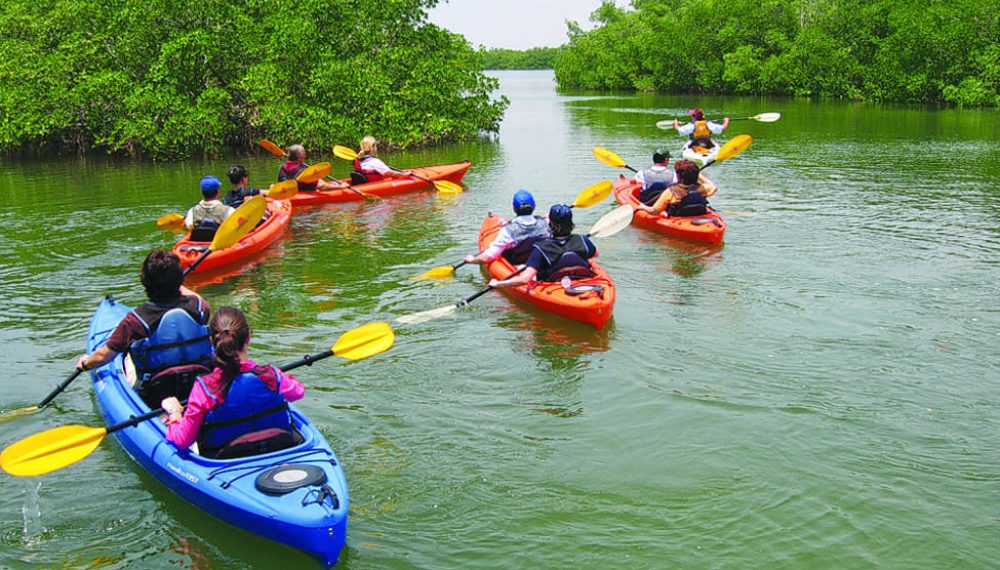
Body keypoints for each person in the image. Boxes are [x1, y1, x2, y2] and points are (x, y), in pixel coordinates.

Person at [161, 307, 305, 458]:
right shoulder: (272, 375)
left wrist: (175, 412)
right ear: (248, 338)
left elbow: (182, 440)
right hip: (279, 446)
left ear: (211, 340)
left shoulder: (205, 388)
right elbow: (298, 393)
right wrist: (287, 379)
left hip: (227, 458)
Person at [76, 250, 213, 407]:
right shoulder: (200, 308)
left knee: (126, 355)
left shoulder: (136, 321)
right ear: (179, 280)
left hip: (156, 397)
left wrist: (86, 363)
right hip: (199, 386)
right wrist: (174, 281)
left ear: (145, 282)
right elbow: (196, 298)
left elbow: (103, 356)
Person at [489, 204, 598, 288]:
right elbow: (595, 254)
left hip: (552, 284)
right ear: (571, 222)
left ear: (550, 224)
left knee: (522, 267)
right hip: (583, 279)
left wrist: (498, 283)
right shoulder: (583, 240)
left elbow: (524, 279)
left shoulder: (541, 248)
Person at [464, 189, 552, 265]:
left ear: (513, 208)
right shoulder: (546, 224)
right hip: (538, 265)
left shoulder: (508, 231)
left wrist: (471, 260)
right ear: (534, 207)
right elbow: (548, 216)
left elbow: (488, 257)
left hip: (516, 264)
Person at [636, 159, 718, 217]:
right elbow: (713, 186)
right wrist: (698, 175)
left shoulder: (670, 192)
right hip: (698, 214)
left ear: (679, 176)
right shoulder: (702, 189)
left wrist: (642, 207)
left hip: (678, 217)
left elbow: (654, 211)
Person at [184, 175, 235, 241]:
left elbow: (189, 227)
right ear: (218, 191)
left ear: (202, 193)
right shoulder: (228, 211)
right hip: (220, 245)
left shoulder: (192, 211)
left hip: (197, 244)